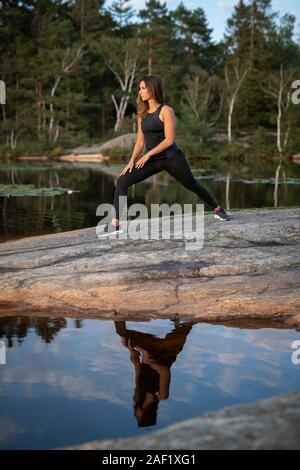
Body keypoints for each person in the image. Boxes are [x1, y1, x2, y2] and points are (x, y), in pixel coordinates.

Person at [100, 74, 230, 236]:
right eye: (139, 88)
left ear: (153, 89)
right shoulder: (142, 114)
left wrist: (147, 155)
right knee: (123, 180)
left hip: (172, 158)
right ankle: (116, 224)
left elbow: (169, 140)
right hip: (153, 160)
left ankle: (217, 208)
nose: (139, 92)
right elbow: (140, 141)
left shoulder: (166, 111)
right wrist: (131, 161)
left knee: (192, 185)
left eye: (143, 88)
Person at [114, 320, 194, 427]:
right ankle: (178, 325)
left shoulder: (139, 392)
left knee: (121, 332)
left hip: (150, 349)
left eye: (136, 417)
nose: (136, 414)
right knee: (187, 325)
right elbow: (165, 372)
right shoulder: (161, 395)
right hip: (166, 352)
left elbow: (136, 364)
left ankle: (118, 307)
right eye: (138, 417)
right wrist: (149, 360)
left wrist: (131, 351)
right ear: (147, 416)